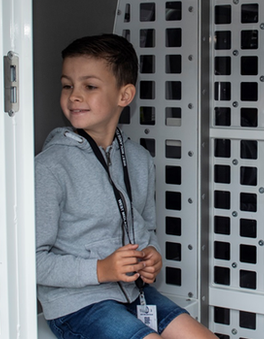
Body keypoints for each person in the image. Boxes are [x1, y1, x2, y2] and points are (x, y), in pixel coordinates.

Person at [35, 33, 216, 339]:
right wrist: (101, 270)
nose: (74, 96)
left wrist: (151, 255)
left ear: (125, 95)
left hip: (136, 295)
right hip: (77, 306)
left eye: (89, 86)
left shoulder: (139, 159)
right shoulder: (49, 166)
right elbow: (32, 261)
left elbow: (147, 230)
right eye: (68, 86)